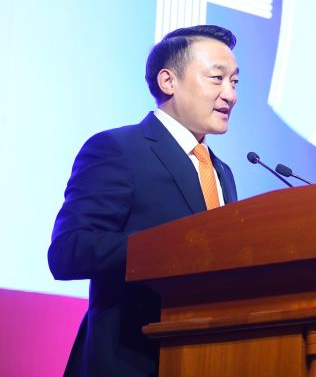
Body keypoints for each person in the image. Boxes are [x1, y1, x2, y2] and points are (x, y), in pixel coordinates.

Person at [48, 25, 241, 377]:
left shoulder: (221, 172)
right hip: (129, 361)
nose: (230, 94)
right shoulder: (118, 149)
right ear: (168, 81)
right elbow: (68, 251)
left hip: (204, 358)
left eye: (235, 82)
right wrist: (174, 246)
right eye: (217, 78)